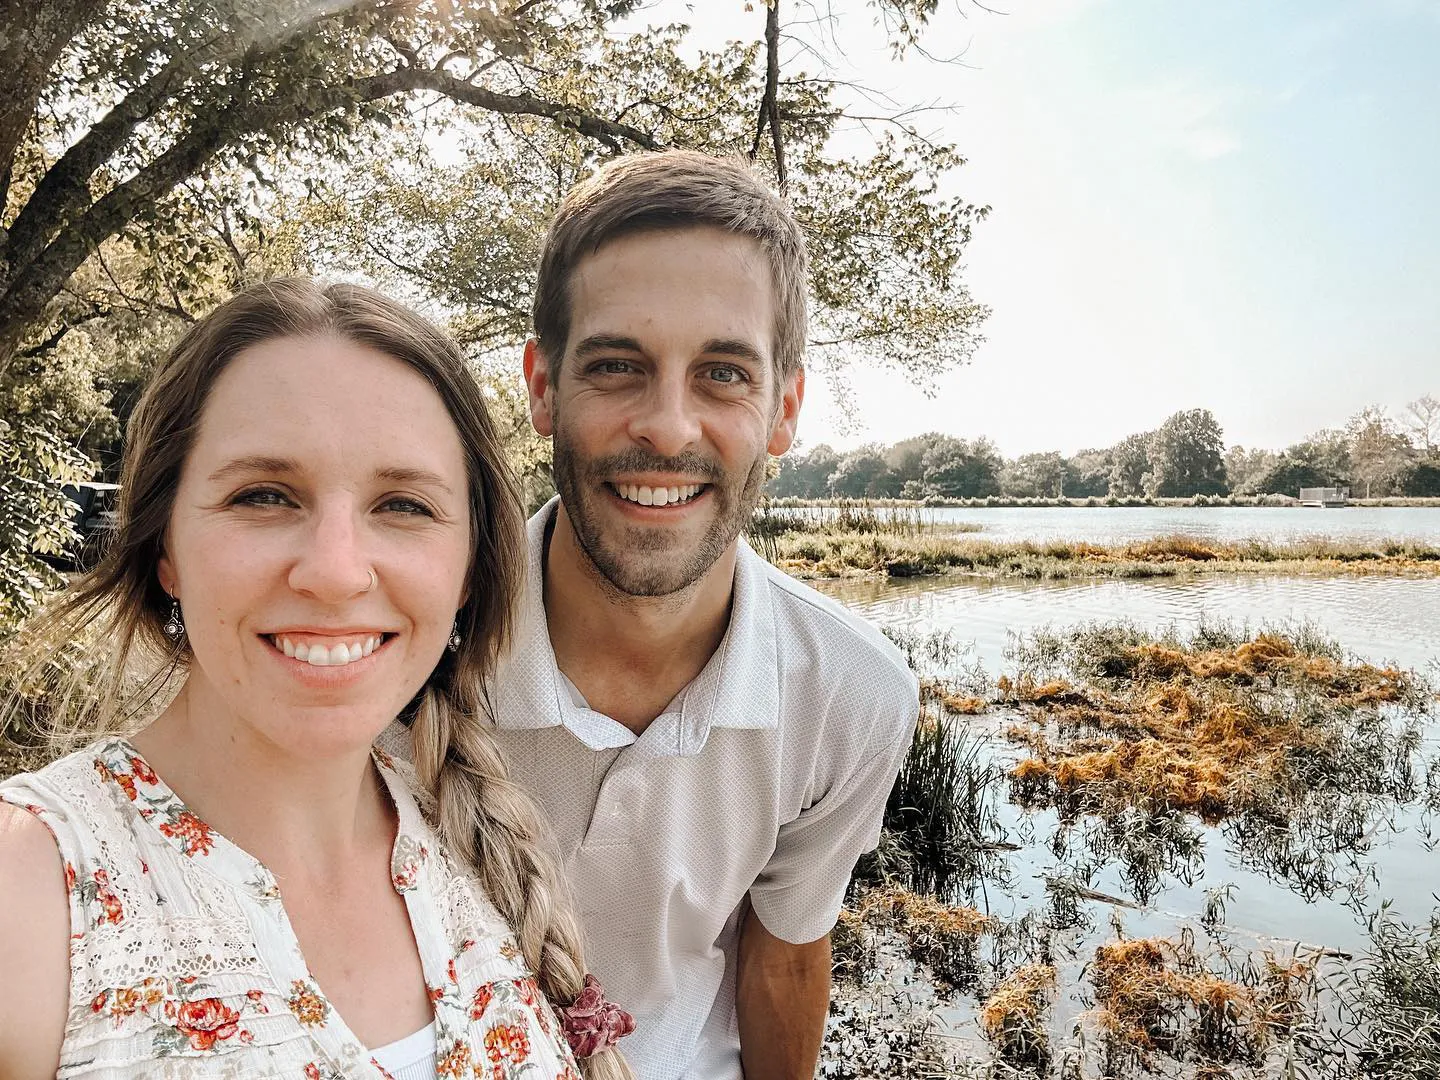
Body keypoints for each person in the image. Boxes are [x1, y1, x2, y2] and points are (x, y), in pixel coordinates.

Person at [0, 279, 635, 1080]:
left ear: (470, 568)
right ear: (165, 546)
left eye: (403, 505)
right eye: (263, 496)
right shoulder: (28, 892)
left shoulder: (480, 847)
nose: (335, 573)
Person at [481, 151, 921, 1079]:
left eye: (722, 373)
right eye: (615, 366)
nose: (670, 428)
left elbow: (786, 947)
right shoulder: (409, 653)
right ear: (541, 388)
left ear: (784, 408)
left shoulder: (854, 695)